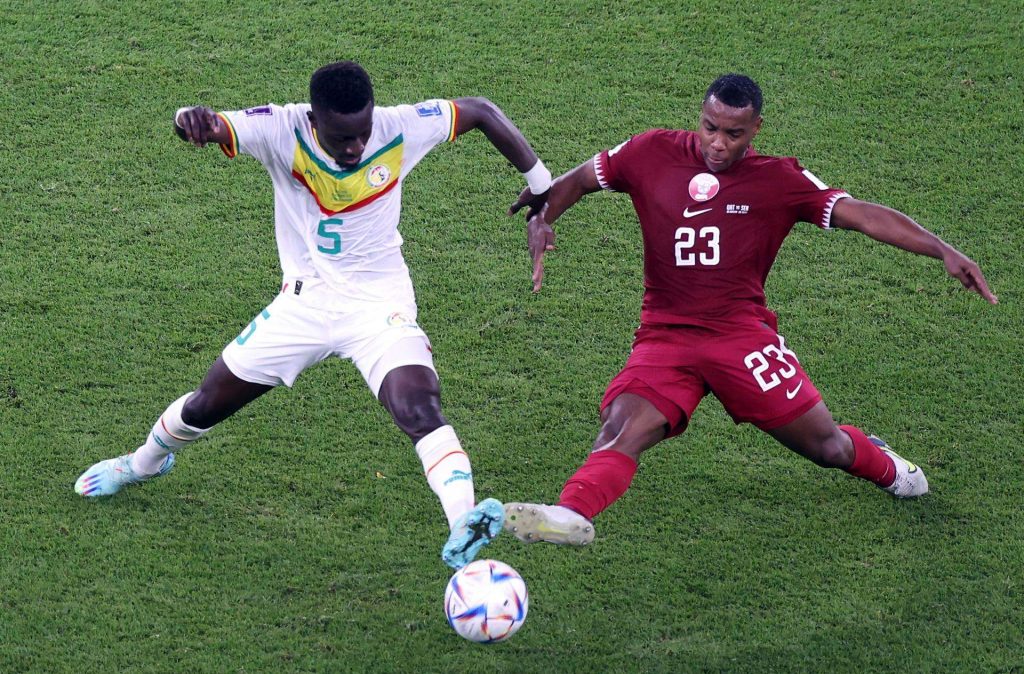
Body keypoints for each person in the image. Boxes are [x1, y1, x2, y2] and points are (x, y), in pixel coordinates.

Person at [74, 60, 552, 569]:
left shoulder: (397, 127)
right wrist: (188, 119)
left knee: (418, 407)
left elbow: (479, 111)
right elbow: (212, 124)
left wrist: (542, 188)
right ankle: (142, 464)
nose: (356, 148)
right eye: (343, 137)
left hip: (378, 303)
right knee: (204, 405)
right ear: (314, 119)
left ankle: (464, 519)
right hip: (304, 305)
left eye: (362, 134)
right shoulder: (281, 128)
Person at [502, 73, 998, 546]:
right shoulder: (651, 151)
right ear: (700, 116)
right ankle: (570, 514)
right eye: (710, 127)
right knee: (621, 427)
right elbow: (583, 179)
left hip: (741, 338)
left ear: (755, 129)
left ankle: (886, 467)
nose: (718, 143)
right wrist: (546, 211)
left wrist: (942, 250)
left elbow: (863, 215)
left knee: (827, 447)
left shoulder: (778, 180)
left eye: (733, 134)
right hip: (665, 336)